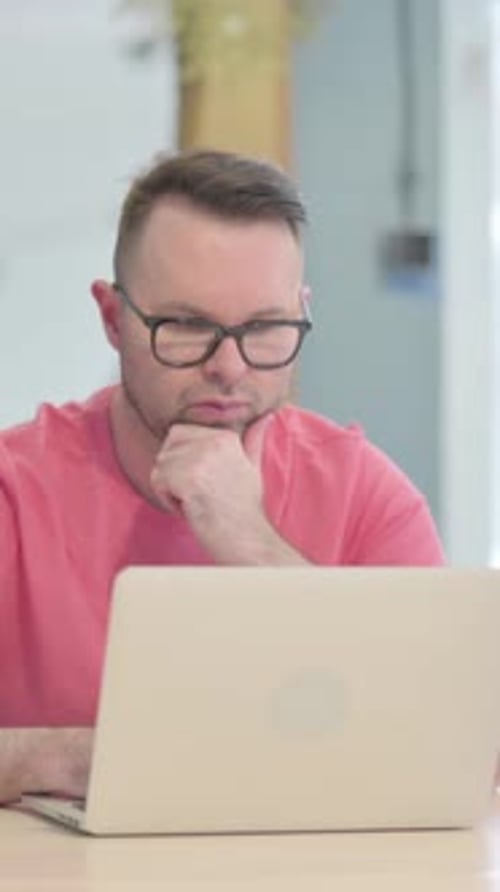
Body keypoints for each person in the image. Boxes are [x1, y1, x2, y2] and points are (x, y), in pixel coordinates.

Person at [0, 148, 444, 802]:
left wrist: (252, 543)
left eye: (265, 327)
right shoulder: (15, 490)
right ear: (113, 319)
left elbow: (457, 751)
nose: (231, 369)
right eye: (187, 326)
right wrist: (68, 758)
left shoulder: (366, 496)